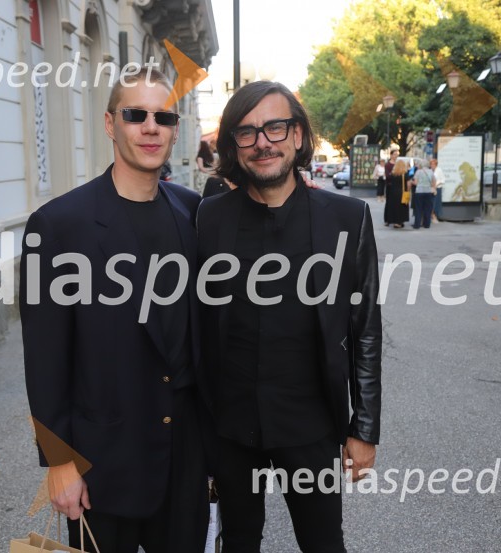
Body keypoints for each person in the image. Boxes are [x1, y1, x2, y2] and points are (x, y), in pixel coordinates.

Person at [19, 67, 209, 553]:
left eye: (162, 116)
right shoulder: (59, 226)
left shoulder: (194, 212)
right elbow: (44, 360)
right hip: (103, 465)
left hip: (184, 464)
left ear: (175, 129)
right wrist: (60, 464)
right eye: (135, 115)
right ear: (110, 124)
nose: (151, 127)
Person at [197, 80, 382, 553]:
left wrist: (363, 428)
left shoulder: (347, 218)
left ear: (298, 136)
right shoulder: (210, 218)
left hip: (311, 425)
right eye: (247, 132)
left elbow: (365, 331)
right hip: (231, 428)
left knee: (323, 544)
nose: (263, 142)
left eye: (275, 127)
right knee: (237, 542)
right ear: (234, 146)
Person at [385, 159, 411, 228]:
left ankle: (395, 221)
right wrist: (408, 191)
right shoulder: (405, 174)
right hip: (402, 193)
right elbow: (408, 184)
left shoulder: (393, 174)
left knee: (394, 207)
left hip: (393, 193)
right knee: (402, 207)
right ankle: (399, 222)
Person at [411, 161, 436, 229]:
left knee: (418, 209)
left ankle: (417, 225)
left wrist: (411, 182)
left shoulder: (418, 172)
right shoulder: (431, 172)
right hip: (428, 192)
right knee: (427, 209)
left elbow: (415, 183)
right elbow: (434, 183)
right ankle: (427, 224)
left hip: (419, 192)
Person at [430, 158, 445, 223]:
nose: (431, 165)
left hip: (437, 188)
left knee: (436, 203)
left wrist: (437, 184)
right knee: (431, 203)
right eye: (431, 164)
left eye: (433, 164)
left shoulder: (439, 170)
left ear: (435, 164)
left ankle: (435, 216)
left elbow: (443, 180)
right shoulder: (430, 170)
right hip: (431, 188)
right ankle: (432, 215)